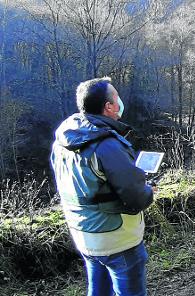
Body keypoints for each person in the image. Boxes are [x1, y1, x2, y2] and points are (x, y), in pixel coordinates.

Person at [50, 77, 155, 296]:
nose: (120, 103)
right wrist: (149, 190)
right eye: (117, 98)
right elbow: (136, 197)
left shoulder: (62, 141)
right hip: (116, 237)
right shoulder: (107, 145)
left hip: (83, 233)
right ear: (109, 107)